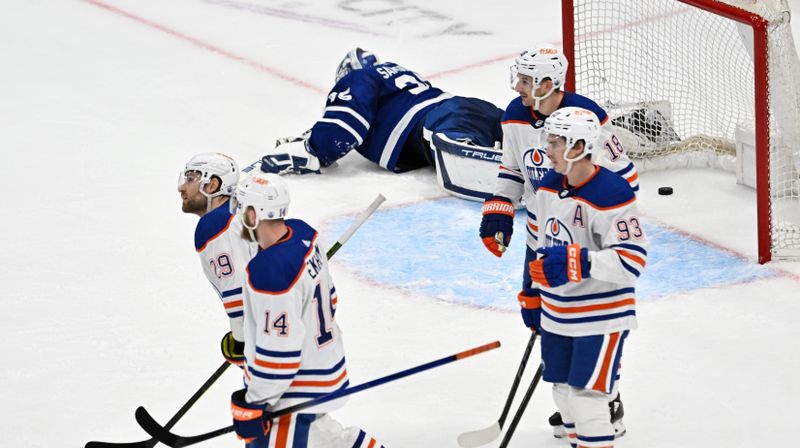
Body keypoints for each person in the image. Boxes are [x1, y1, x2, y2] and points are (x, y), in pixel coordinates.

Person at [478, 45, 634, 438]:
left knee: (589, 332)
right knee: (543, 321)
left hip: (587, 244)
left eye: (527, 80)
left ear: (549, 84)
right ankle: (573, 406)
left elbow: (623, 179)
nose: (518, 87)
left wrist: (585, 229)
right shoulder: (514, 115)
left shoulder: (587, 119)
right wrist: (499, 208)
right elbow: (513, 169)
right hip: (543, 232)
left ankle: (603, 400)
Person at [228, 171, 384, 448]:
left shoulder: (269, 272)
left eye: (241, 208)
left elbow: (279, 354)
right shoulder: (304, 234)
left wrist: (255, 402)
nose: (237, 215)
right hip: (323, 365)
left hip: (294, 390)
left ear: (253, 215)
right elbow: (331, 298)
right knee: (324, 439)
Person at [526, 107, 647, 448]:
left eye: (555, 141)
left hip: (602, 317)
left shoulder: (612, 193)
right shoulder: (548, 187)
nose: (546, 149)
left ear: (578, 147)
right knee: (563, 394)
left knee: (585, 398)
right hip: (558, 313)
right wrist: (531, 292)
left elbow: (632, 260)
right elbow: (536, 242)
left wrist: (577, 263)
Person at [258, 47, 506, 202]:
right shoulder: (397, 76)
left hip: (437, 121)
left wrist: (313, 150)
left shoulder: (360, 77)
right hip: (464, 106)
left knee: (454, 144)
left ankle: (472, 150)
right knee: (511, 128)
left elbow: (345, 121)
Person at [178, 153, 258, 367]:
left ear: (212, 185)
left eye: (191, 179)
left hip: (270, 335)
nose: (182, 187)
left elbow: (239, 290)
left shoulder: (214, 226)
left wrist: (242, 343)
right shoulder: (238, 211)